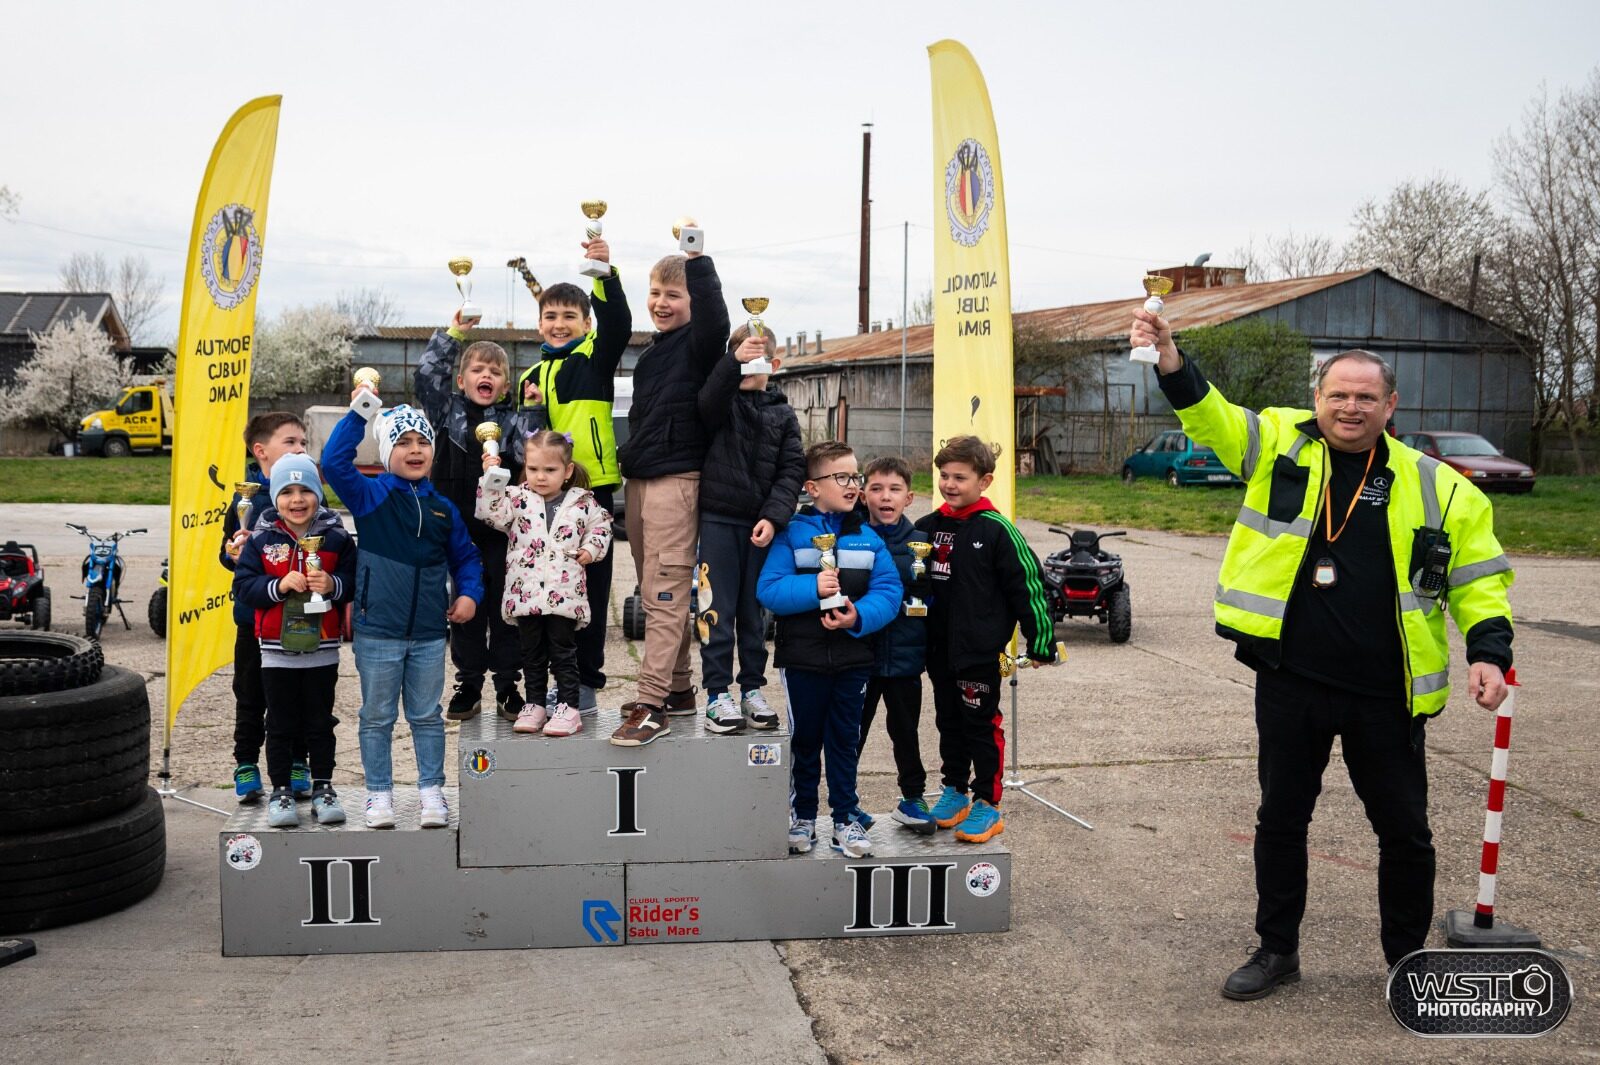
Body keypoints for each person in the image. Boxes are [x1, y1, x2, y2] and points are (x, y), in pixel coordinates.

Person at [1129, 308, 1515, 1000]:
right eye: (1338, 394)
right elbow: (1210, 415)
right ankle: (1277, 949)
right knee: (1281, 819)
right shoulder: (1277, 441)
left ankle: (1407, 962)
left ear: (1390, 406)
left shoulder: (1441, 485)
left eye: (1366, 396)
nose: (1350, 407)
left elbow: (1479, 580)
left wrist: (1488, 650)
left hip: (1387, 692)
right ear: (1318, 398)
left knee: (1404, 833)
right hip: (1291, 679)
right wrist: (1169, 357)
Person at [322, 400, 484, 830]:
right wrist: (360, 414)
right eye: (403, 442)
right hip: (377, 632)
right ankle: (379, 794)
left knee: (427, 716)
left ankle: (432, 791)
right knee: (377, 716)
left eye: (422, 442)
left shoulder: (443, 508)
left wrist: (469, 594)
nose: (415, 450)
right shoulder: (370, 496)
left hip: (429, 634)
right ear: (386, 451)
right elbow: (333, 463)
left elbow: (466, 558)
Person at [757, 441, 902, 858]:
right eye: (841, 477)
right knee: (805, 741)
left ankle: (845, 818)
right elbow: (769, 589)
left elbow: (889, 591)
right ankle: (802, 816)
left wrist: (858, 617)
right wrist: (813, 587)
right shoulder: (791, 533)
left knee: (844, 741)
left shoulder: (868, 539)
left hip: (854, 660)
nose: (853, 485)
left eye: (856, 476)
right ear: (812, 487)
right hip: (802, 660)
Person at [610, 247, 730, 746]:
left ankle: (652, 704)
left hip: (676, 481)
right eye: (655, 292)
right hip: (641, 479)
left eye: (673, 294)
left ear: (693, 300)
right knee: (656, 591)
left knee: (664, 593)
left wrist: (698, 261)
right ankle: (679, 689)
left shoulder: (700, 344)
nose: (661, 302)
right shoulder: (654, 352)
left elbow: (717, 320)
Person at [915, 435, 1058, 845]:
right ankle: (954, 791)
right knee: (948, 722)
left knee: (980, 726)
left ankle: (987, 803)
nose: (949, 484)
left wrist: (1041, 641)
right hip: (938, 651)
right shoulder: (926, 528)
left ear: (985, 481)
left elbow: (1029, 588)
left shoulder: (998, 531)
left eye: (960, 477)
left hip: (979, 654)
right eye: (944, 475)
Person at [516, 237, 630, 714]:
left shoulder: (595, 357)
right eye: (550, 316)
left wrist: (604, 274)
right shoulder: (531, 377)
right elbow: (522, 439)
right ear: (539, 323)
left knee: (590, 591)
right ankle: (546, 686)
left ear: (586, 324)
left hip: (590, 490)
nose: (559, 324)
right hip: (542, 496)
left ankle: (585, 683)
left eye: (569, 316)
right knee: (544, 590)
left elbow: (619, 323)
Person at [415, 315, 535, 723]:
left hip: (504, 534)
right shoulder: (446, 412)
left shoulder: (516, 420)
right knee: (465, 607)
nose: (487, 376)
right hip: (457, 532)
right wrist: (453, 335)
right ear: (461, 380)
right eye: (478, 370)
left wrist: (534, 409)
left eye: (495, 372)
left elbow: (534, 457)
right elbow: (426, 377)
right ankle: (468, 683)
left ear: (506, 385)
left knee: (506, 609)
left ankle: (508, 684)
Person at [232, 454, 357, 829]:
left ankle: (324, 788)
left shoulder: (337, 538)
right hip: (276, 652)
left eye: (306, 490)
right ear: (275, 498)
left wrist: (332, 584)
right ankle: (281, 791)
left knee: (320, 722)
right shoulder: (261, 539)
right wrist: (279, 585)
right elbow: (244, 586)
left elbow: (354, 582)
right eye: (287, 491)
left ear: (319, 494)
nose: (297, 499)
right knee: (280, 723)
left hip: (322, 650)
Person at [693, 325, 805, 734]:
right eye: (741, 356)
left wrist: (773, 517)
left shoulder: (784, 415)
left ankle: (752, 689)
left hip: (761, 528)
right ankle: (717, 694)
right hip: (718, 522)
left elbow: (792, 470)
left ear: (772, 364)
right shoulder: (720, 403)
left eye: (755, 359)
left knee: (754, 617)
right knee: (715, 611)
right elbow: (709, 399)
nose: (747, 366)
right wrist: (732, 362)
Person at [477, 430, 613, 738]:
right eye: (533, 468)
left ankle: (569, 706)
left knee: (563, 652)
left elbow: (602, 527)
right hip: (526, 594)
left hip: (564, 595)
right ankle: (535, 703)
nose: (540, 476)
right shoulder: (516, 498)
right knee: (531, 653)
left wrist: (590, 549)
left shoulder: (582, 502)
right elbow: (490, 513)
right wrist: (491, 479)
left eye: (550, 470)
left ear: (567, 471)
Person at [220, 411, 312, 804]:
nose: (300, 449)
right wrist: (233, 554)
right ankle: (245, 763)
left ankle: (298, 760)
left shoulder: (309, 495)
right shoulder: (246, 500)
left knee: (298, 695)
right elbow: (227, 554)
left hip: (300, 618)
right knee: (250, 692)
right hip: (254, 620)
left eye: (303, 443)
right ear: (261, 451)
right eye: (290, 442)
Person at [857, 455, 937, 834]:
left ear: (909, 498)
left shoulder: (922, 544)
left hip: (905, 661)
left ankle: (914, 798)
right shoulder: (851, 539)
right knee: (851, 734)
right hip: (860, 660)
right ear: (863, 496)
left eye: (894, 489)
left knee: (906, 732)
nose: (885, 497)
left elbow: (932, 597)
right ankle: (845, 800)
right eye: (876, 489)